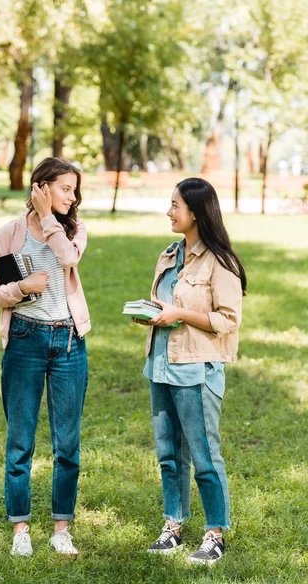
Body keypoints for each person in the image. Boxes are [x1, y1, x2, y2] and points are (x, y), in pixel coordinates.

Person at [133, 177, 246, 564]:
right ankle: (173, 525)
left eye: (174, 205)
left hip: (196, 371)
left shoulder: (222, 262)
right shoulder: (168, 254)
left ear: (195, 212)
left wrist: (179, 314)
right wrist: (150, 314)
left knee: (204, 456)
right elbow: (162, 304)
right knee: (168, 454)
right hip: (160, 367)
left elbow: (228, 319)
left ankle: (215, 534)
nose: (169, 211)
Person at [0, 157, 90, 557]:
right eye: (65, 188)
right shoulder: (10, 234)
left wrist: (49, 219)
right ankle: (21, 529)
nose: (73, 196)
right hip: (24, 342)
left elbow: (67, 259)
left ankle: (61, 528)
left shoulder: (75, 229)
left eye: (74, 189)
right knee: (20, 442)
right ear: (40, 187)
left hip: (68, 344)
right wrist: (21, 288)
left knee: (68, 444)